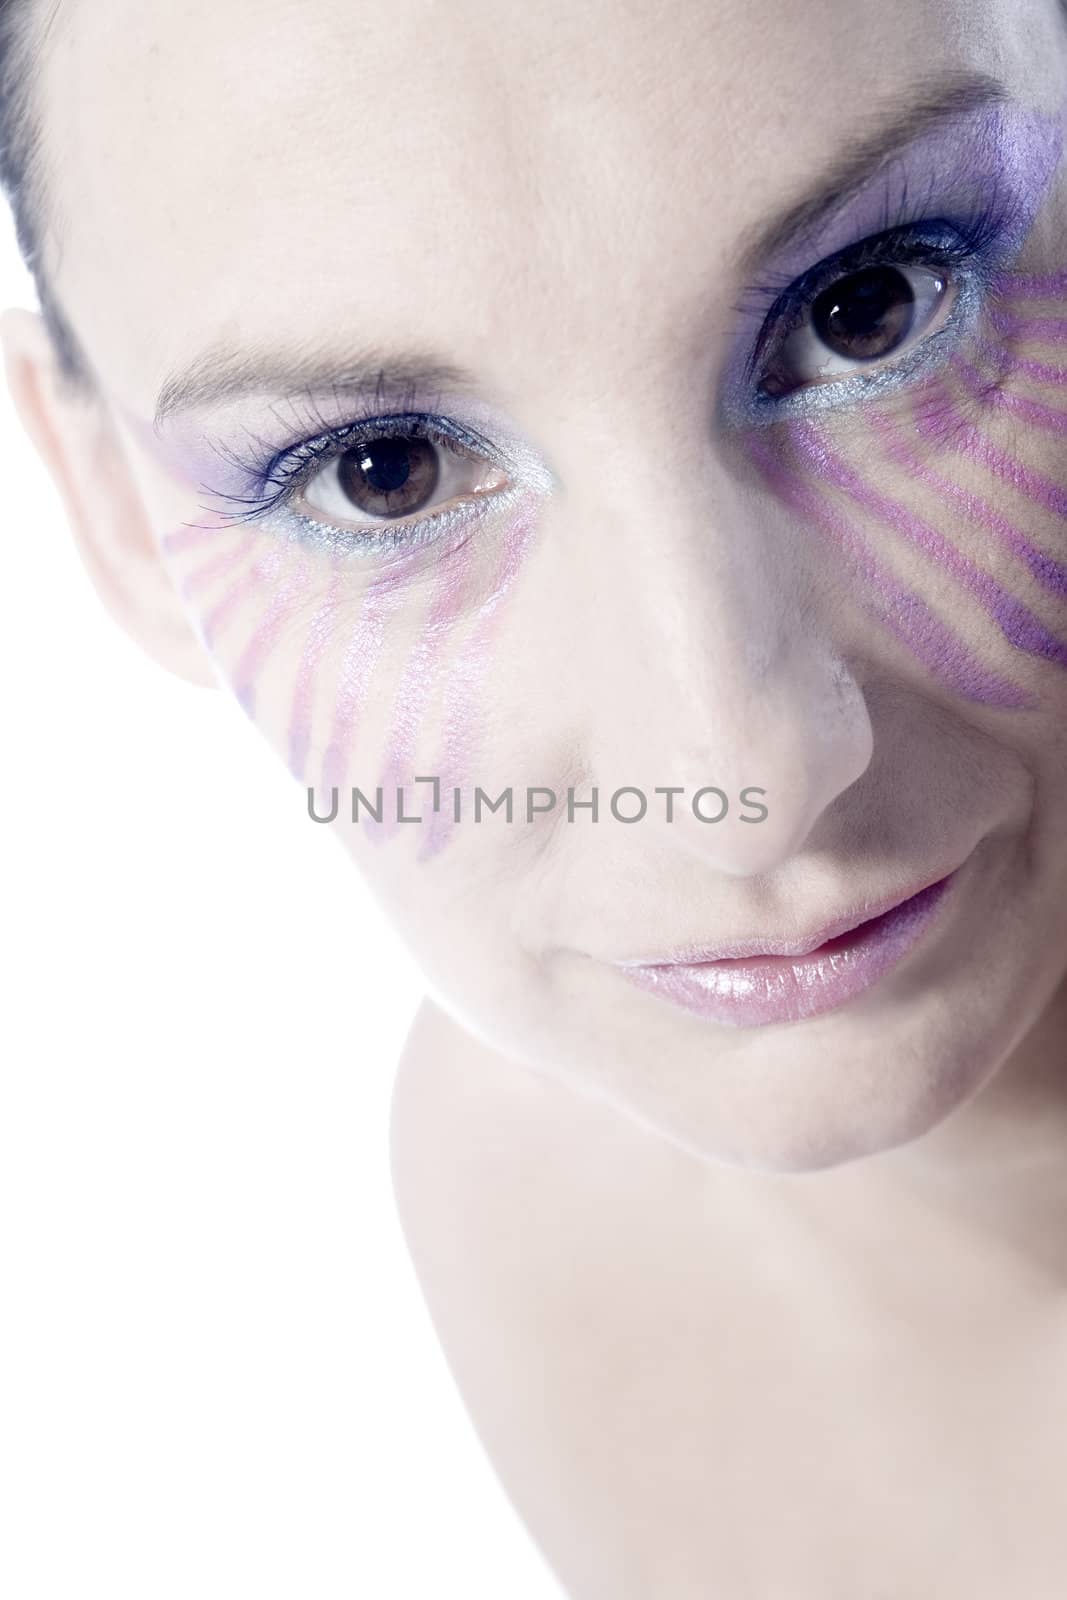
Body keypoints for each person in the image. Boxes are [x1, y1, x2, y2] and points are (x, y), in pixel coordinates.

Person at [3, 0, 1067, 1592]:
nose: (747, 773)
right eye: (387, 471)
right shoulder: (527, 1186)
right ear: (110, 512)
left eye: (874, 308)